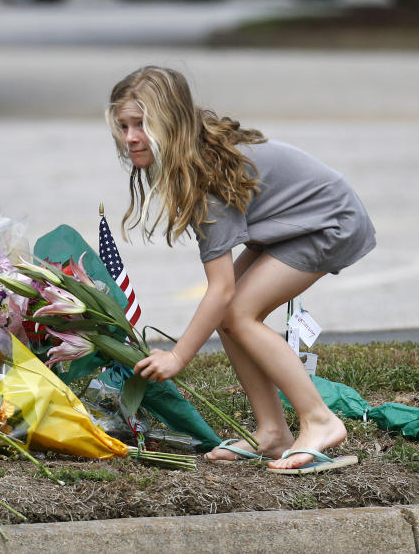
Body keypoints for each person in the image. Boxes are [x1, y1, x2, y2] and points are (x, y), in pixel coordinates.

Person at [109, 67, 375, 473]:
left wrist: (179, 356)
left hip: (327, 222)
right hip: (292, 225)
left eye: (142, 124)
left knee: (236, 313)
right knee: (230, 318)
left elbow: (221, 290)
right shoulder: (192, 161)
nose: (130, 137)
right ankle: (272, 432)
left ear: (172, 122)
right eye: (124, 125)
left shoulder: (204, 178)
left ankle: (320, 420)